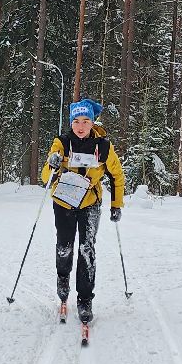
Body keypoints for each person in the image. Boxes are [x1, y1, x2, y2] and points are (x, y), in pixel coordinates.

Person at [41, 99, 125, 324]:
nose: (80, 125)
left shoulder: (104, 146)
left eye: (85, 121)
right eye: (76, 121)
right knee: (64, 247)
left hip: (90, 203)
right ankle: (62, 278)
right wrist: (52, 164)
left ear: (92, 122)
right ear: (71, 122)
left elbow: (117, 176)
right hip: (64, 202)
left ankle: (85, 299)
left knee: (87, 249)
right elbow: (44, 178)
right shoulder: (62, 142)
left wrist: (116, 205)